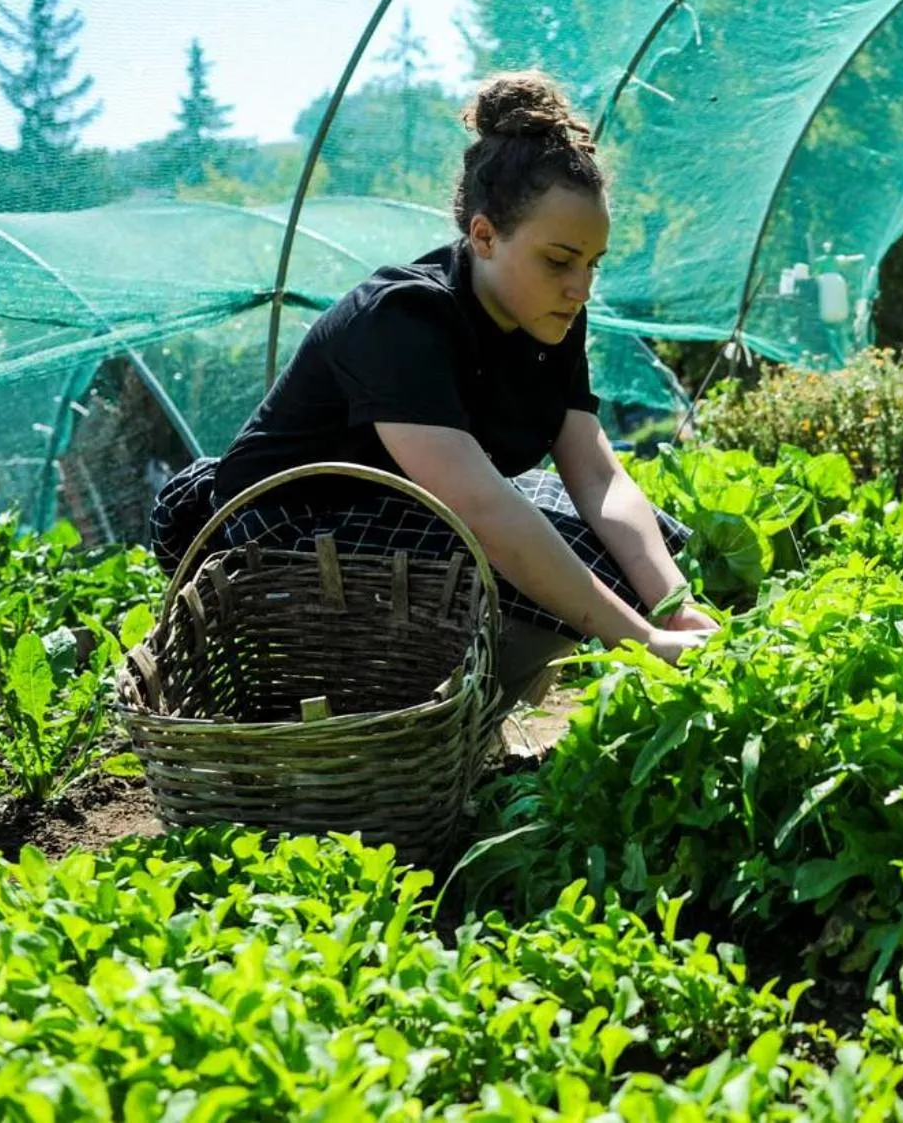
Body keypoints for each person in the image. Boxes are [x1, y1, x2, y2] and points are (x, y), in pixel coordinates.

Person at [150, 71, 716, 707]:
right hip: (283, 537)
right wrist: (639, 640)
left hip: (399, 513)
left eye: (592, 264)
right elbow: (485, 510)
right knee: (558, 558)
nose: (580, 287)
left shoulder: (552, 319)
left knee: (632, 547)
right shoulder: (402, 319)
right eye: (559, 261)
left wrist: (674, 608)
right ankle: (415, 710)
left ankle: (480, 709)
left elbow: (599, 479)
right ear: (483, 237)